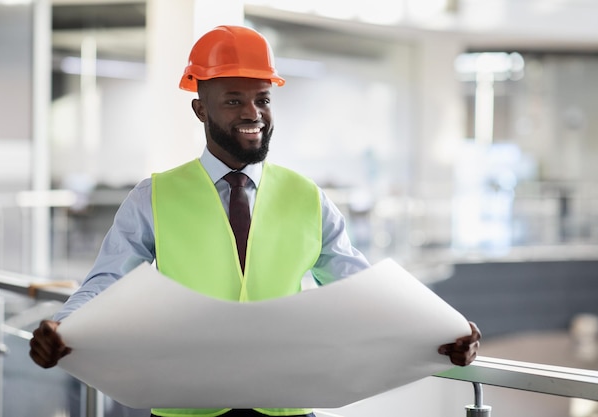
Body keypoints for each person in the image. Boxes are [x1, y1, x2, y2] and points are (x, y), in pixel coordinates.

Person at [30, 25, 481, 417]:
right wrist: (62, 328)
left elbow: (364, 288)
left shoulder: (308, 198)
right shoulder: (153, 197)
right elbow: (105, 281)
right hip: (188, 405)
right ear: (200, 109)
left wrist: (443, 329)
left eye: (262, 99)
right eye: (233, 100)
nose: (253, 113)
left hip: (284, 403)